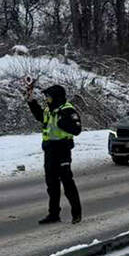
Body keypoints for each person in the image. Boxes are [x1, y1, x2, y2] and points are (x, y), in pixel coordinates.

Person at [26, 83, 83, 224]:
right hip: (50, 151)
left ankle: (76, 213)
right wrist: (31, 101)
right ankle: (53, 214)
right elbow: (39, 116)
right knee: (51, 184)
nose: (46, 99)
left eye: (48, 97)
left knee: (67, 182)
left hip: (63, 150)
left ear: (56, 97)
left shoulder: (67, 110)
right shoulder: (49, 110)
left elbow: (77, 129)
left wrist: (63, 123)